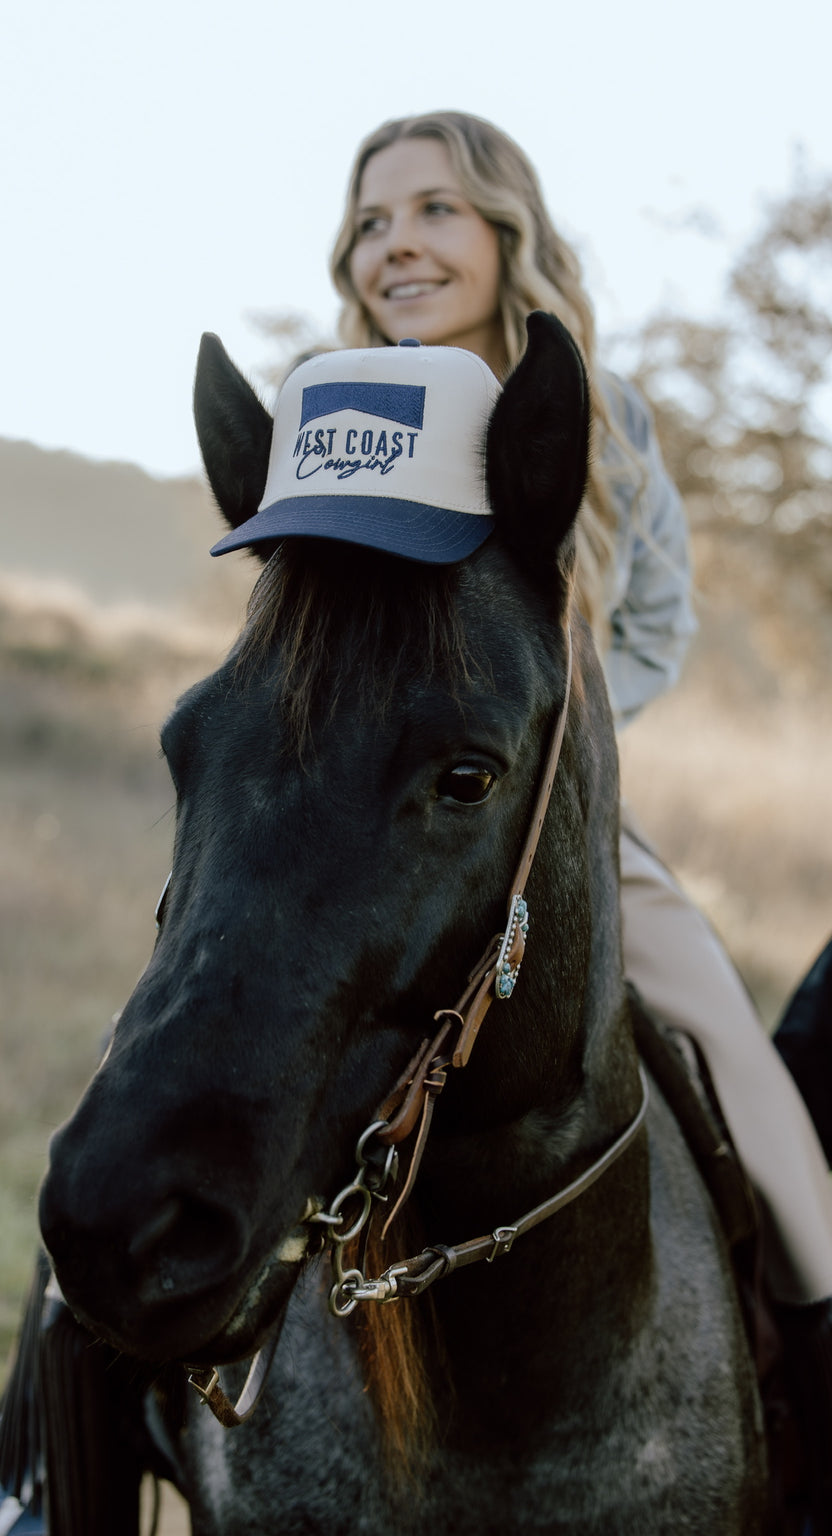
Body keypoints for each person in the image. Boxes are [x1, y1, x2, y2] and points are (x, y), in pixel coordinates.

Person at [325, 107, 832, 1359]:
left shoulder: (610, 422)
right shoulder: (335, 416)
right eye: (371, 222)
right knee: (148, 1062)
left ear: (508, 232)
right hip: (341, 835)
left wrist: (561, 748)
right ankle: (54, 1439)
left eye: (434, 209)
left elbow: (657, 620)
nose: (398, 245)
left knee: (736, 1066)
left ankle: (811, 1370)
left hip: (551, 826)